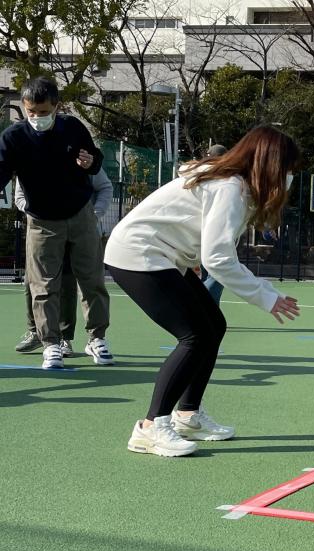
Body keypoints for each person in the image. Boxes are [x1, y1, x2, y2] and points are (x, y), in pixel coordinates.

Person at [104, 125, 301, 457]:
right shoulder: (231, 188)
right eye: (287, 171)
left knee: (214, 325)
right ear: (269, 165)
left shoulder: (234, 184)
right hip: (138, 254)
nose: (288, 179)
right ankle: (150, 428)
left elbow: (201, 239)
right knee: (194, 334)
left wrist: (189, 256)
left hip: (161, 255)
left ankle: (188, 415)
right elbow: (219, 258)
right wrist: (265, 296)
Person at [0, 77, 113, 369]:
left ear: (57, 106)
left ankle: (97, 339)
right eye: (30, 112)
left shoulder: (73, 128)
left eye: (43, 111)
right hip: (41, 221)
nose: (36, 117)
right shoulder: (13, 138)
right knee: (42, 285)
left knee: (92, 280)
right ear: (24, 108)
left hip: (80, 214)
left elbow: (96, 159)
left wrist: (91, 162)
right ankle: (52, 344)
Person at [15, 169, 114, 356]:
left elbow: (105, 187)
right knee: (34, 282)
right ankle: (37, 332)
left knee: (71, 281)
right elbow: (20, 195)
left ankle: (65, 338)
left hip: (78, 228)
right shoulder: (29, 154)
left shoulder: (80, 154)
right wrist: (32, 209)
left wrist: (95, 214)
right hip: (42, 226)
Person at [199, 143, 229, 305]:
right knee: (218, 274)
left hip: (199, 232)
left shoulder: (199, 174)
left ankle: (211, 312)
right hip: (212, 232)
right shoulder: (223, 177)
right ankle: (205, 310)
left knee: (208, 274)